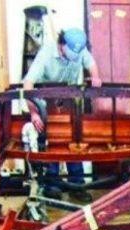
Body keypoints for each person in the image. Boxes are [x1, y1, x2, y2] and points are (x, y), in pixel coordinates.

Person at [23, 28, 101, 202]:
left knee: (74, 141)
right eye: (72, 52)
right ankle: (52, 186)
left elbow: (91, 64)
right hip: (47, 103)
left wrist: (96, 78)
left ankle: (77, 185)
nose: (76, 56)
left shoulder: (79, 48)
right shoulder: (46, 54)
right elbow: (28, 84)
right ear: (62, 44)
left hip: (70, 102)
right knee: (53, 141)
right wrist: (34, 113)